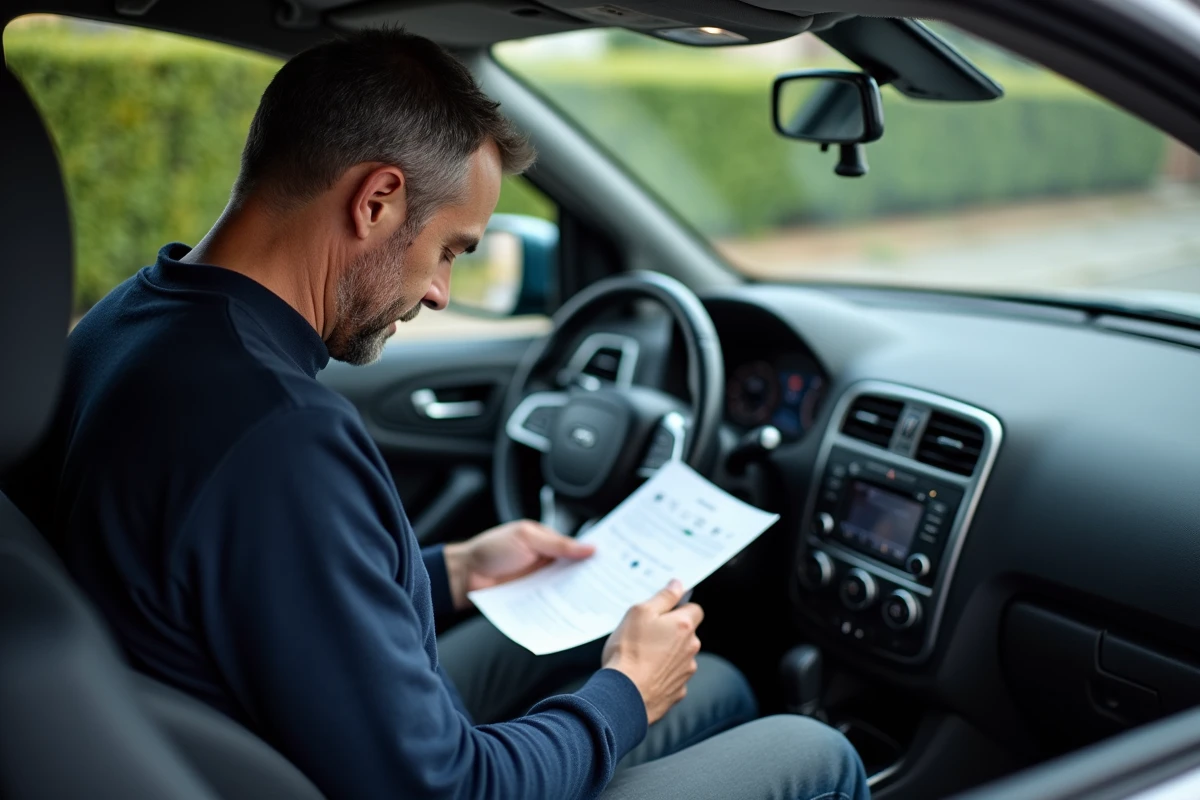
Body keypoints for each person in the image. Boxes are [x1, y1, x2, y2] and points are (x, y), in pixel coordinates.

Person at [5, 27, 869, 800]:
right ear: (376, 200)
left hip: (259, 735)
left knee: (712, 685)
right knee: (810, 750)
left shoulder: (131, 322)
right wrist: (624, 696)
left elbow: (240, 576)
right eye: (449, 250)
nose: (441, 294)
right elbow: (447, 785)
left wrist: (455, 568)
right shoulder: (279, 435)